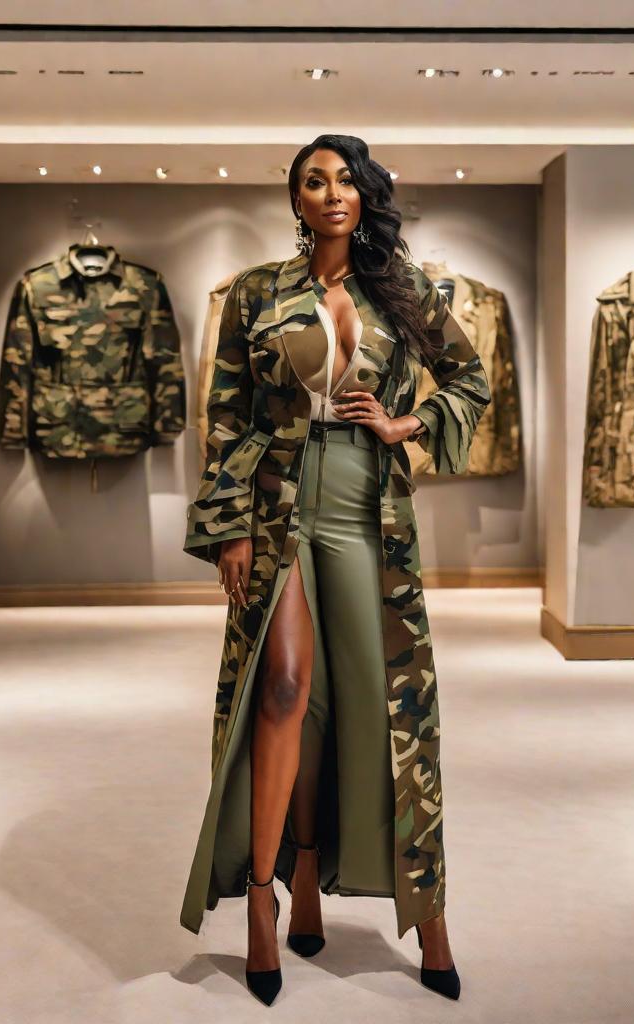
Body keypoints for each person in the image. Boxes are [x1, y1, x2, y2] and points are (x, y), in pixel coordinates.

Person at [180, 133, 490, 1006]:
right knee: (281, 687)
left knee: (379, 699)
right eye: (313, 182)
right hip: (278, 504)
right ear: (295, 200)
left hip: (368, 512)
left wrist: (405, 424)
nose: (331, 194)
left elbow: (469, 380)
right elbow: (227, 416)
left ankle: (413, 907)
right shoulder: (255, 294)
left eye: (346, 180)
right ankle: (262, 900)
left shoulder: (404, 289)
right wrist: (228, 526)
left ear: (366, 194)